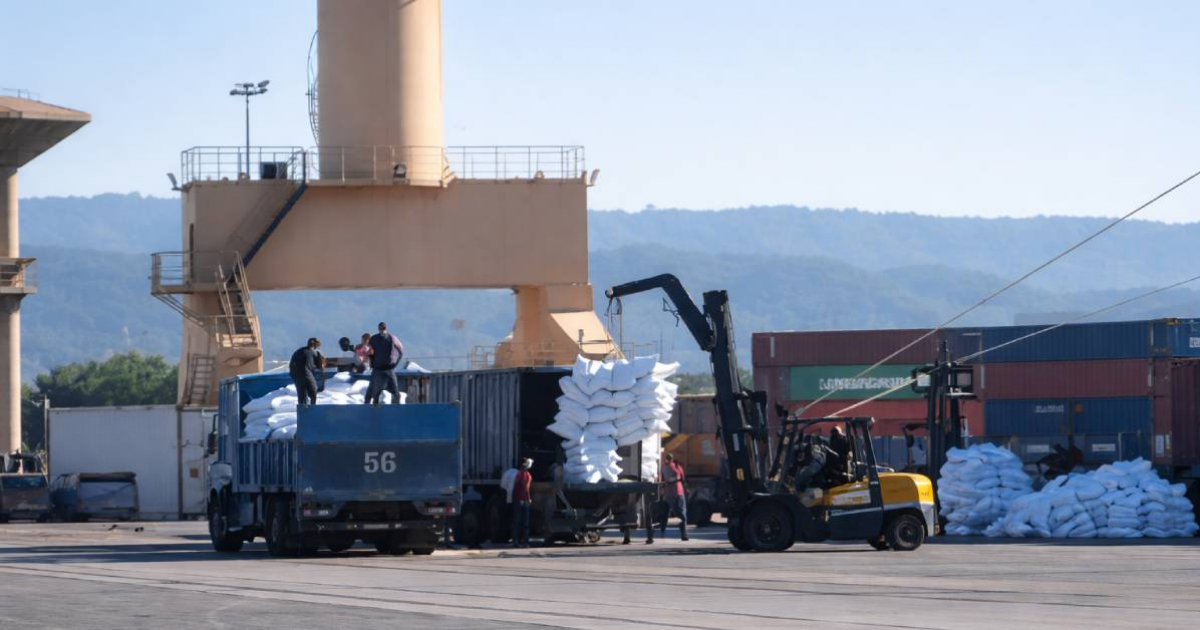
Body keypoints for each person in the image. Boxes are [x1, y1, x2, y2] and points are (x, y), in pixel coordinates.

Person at [365, 322, 404, 405]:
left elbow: (400, 351)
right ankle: (370, 407)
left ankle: (395, 408)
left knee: (395, 392)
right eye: (381, 329)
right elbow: (370, 352)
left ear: (385, 328)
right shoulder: (374, 339)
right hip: (377, 369)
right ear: (378, 329)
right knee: (374, 392)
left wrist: (395, 364)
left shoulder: (392, 338)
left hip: (388, 369)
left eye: (383, 328)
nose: (382, 330)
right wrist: (370, 360)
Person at [661, 453, 689, 541]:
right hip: (676, 492)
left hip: (671, 492)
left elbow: (664, 479)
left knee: (666, 513)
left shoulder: (664, 467)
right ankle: (683, 534)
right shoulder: (676, 466)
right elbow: (682, 478)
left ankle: (662, 532)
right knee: (681, 513)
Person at [289, 338, 321, 406]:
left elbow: (292, 364)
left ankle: (302, 409)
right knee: (313, 392)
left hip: (296, 375)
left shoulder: (298, 351)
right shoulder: (313, 352)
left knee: (301, 395)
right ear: (315, 345)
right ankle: (312, 408)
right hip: (306, 374)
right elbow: (318, 366)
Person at [511, 457, 533, 548]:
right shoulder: (527, 475)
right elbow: (526, 488)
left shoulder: (521, 474)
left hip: (520, 499)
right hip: (524, 499)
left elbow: (516, 485)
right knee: (524, 522)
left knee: (518, 521)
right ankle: (524, 542)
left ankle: (517, 541)